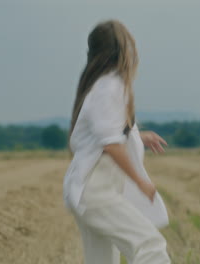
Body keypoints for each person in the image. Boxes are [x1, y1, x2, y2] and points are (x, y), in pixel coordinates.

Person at [63, 19, 171, 264]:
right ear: (124, 51)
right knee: (150, 246)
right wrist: (141, 181)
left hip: (88, 192)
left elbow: (105, 134)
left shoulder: (100, 86)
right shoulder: (110, 87)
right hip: (96, 191)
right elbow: (110, 145)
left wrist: (138, 137)